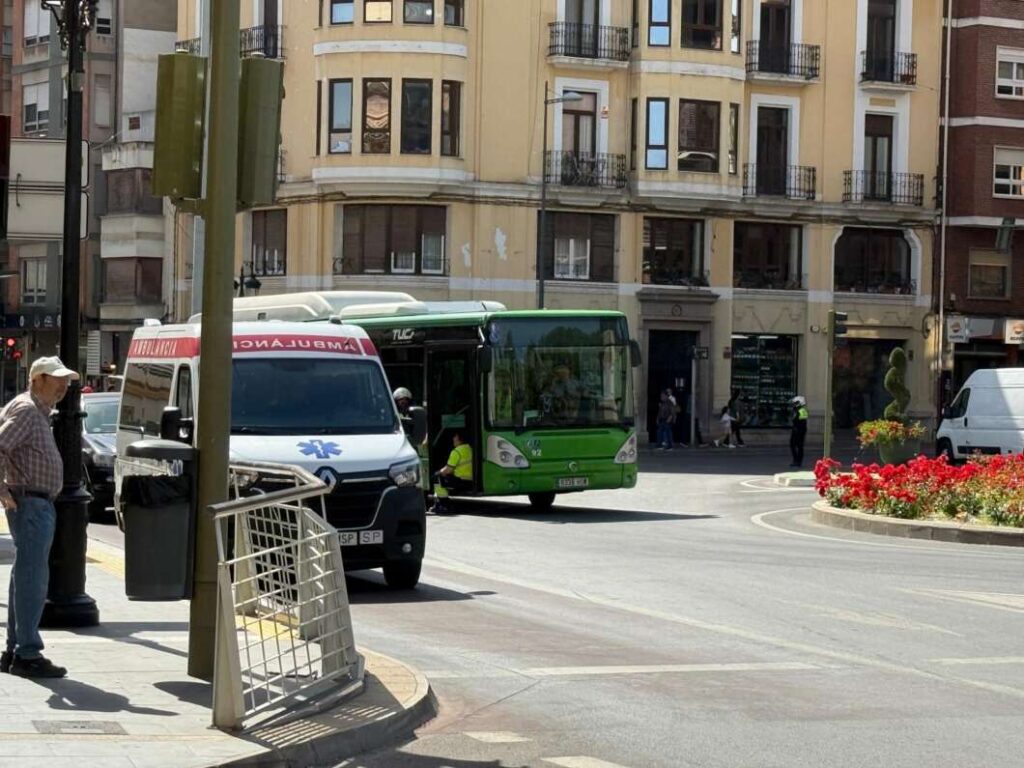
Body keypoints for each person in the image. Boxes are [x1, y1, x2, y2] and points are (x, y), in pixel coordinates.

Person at [0, 356, 79, 679]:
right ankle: (27, 653)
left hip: (34, 502)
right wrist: (2, 491)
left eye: (66, 381)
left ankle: (14, 649)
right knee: (33, 577)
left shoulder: (36, 412)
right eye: (56, 378)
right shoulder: (28, 411)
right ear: (36, 380)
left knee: (26, 575)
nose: (63, 386)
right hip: (30, 503)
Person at [432, 431, 473, 514]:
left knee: (437, 478)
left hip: (460, 481)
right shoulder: (470, 448)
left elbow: (448, 470)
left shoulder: (456, 452)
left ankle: (444, 504)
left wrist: (438, 472)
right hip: (471, 480)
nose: (453, 439)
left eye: (455, 437)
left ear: (459, 439)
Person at [790, 395, 809, 468]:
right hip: (796, 430)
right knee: (793, 445)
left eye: (795, 403)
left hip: (800, 431)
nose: (794, 404)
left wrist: (798, 430)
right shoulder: (796, 410)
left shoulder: (802, 410)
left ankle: (798, 461)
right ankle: (796, 460)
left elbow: (802, 421)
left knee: (799, 446)